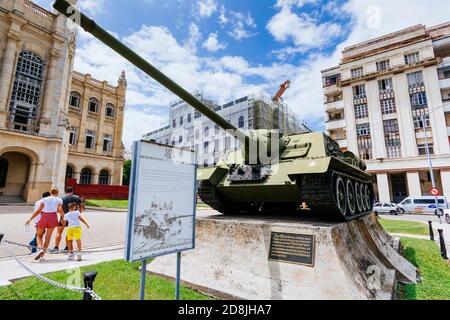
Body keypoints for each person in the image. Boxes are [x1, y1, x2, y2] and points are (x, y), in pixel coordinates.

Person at [26, 188, 65, 261]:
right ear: (57, 193)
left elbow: (38, 210)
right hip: (53, 217)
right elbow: (60, 210)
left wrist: (30, 219)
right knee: (48, 238)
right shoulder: (59, 200)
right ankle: (42, 255)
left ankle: (40, 249)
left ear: (50, 192)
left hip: (45, 216)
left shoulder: (45, 199)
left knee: (39, 236)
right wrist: (63, 218)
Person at [52, 187, 85, 254]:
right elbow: (81, 208)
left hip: (64, 217)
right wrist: (78, 213)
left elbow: (59, 209)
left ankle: (56, 247)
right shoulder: (77, 198)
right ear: (72, 191)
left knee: (59, 232)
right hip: (73, 218)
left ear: (65, 191)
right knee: (69, 233)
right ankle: (67, 247)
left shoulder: (62, 199)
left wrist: (63, 216)